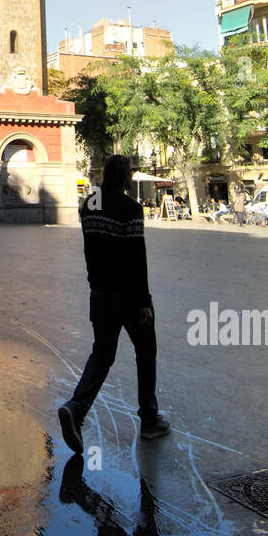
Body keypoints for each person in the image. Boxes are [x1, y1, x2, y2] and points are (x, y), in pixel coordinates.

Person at [58, 153, 170, 454]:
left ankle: (76, 408)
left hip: (100, 294)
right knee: (146, 353)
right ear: (126, 177)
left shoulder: (89, 206)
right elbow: (137, 258)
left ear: (105, 174)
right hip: (130, 297)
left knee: (102, 354)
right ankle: (149, 419)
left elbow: (89, 251)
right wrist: (144, 301)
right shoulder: (130, 208)